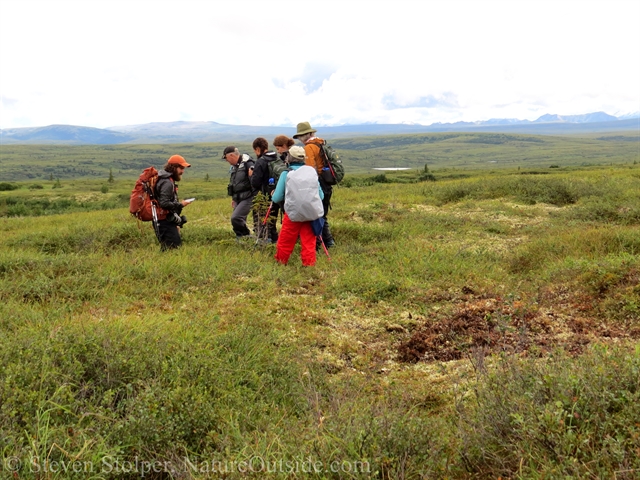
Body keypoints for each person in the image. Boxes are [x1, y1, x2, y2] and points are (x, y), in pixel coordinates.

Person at [271, 146, 324, 267]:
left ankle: (281, 263)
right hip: (311, 212)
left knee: (286, 240)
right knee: (309, 241)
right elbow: (320, 196)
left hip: (292, 214)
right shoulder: (311, 172)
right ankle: (309, 265)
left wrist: (273, 194)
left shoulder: (286, 173)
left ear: (289, 157)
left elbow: (277, 198)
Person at [292, 122, 335, 249]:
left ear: (305, 135)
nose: (300, 139)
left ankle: (317, 244)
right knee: (322, 213)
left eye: (300, 136)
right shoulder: (320, 143)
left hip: (318, 182)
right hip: (326, 182)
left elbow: (309, 170)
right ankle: (328, 242)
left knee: (315, 214)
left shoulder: (309, 148)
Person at [155, 154, 193, 250]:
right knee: (173, 249)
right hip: (164, 221)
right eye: (181, 168)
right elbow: (164, 203)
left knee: (167, 249)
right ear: (174, 167)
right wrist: (181, 204)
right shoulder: (167, 182)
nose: (182, 171)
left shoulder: (165, 180)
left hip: (165, 220)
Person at [250, 137, 280, 244]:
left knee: (262, 221)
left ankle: (264, 243)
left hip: (263, 195)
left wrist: (251, 175)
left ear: (258, 149)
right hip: (276, 194)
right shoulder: (277, 158)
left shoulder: (261, 161)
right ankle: (275, 242)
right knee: (273, 221)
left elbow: (255, 182)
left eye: (255, 151)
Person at [223, 146, 257, 240]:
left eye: (226, 158)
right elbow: (234, 184)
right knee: (239, 219)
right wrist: (234, 198)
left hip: (248, 197)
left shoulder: (248, 164)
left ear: (232, 155)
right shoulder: (235, 167)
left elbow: (254, 181)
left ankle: (245, 236)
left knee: (236, 218)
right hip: (238, 198)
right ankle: (242, 238)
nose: (226, 160)